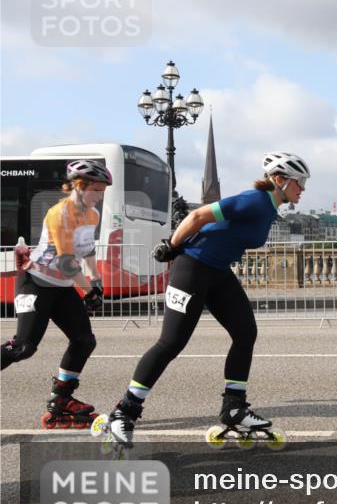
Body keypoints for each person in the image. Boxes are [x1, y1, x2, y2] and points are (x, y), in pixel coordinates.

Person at [102, 152, 310, 446]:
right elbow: (198, 215)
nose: (302, 189)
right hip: (192, 269)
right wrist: (171, 246)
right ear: (279, 180)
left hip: (218, 273)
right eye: (299, 183)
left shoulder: (269, 208)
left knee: (245, 332)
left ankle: (234, 407)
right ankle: (124, 412)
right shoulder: (254, 200)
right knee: (171, 343)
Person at [1, 159, 110, 428]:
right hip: (36, 282)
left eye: (103, 191)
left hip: (61, 288)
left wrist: (95, 281)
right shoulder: (59, 214)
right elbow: (64, 261)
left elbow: (86, 251)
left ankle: (61, 401)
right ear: (79, 186)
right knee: (24, 347)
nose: (100, 196)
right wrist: (86, 291)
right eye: (96, 190)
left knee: (84, 340)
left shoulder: (92, 215)